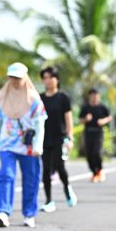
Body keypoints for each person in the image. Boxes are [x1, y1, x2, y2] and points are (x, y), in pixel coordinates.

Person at [0, 62, 47, 229]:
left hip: (29, 147)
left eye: (18, 77)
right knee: (6, 175)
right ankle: (2, 212)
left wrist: (38, 145)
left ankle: (29, 214)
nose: (15, 81)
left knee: (31, 178)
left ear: (25, 78)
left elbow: (40, 125)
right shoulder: (1, 98)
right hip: (7, 145)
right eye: (12, 77)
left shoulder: (34, 100)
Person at [39, 66, 77, 212]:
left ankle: (67, 188)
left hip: (59, 138)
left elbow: (68, 120)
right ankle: (49, 200)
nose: (48, 80)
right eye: (45, 78)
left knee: (60, 167)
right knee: (46, 170)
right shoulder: (40, 98)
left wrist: (70, 138)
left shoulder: (63, 98)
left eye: (51, 77)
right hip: (44, 138)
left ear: (57, 79)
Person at [79, 89, 112, 182]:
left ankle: (100, 170)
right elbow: (80, 120)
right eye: (92, 96)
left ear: (99, 96)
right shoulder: (85, 108)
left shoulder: (102, 107)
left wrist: (103, 121)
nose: (94, 97)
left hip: (98, 132)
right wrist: (86, 119)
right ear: (89, 97)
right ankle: (94, 173)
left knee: (96, 152)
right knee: (89, 154)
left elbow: (109, 117)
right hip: (88, 132)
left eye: (96, 95)